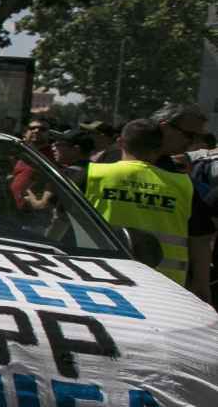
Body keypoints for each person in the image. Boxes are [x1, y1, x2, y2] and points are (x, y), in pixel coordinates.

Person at [85, 119, 200, 296]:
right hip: (165, 286)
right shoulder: (184, 184)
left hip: (99, 274)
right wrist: (201, 283)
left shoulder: (94, 174)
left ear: (120, 143)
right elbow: (200, 239)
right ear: (160, 148)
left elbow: (58, 218)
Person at [152, 103, 214, 302]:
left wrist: (201, 287)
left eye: (199, 138)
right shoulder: (106, 167)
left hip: (166, 290)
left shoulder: (180, 177)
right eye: (190, 135)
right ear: (164, 127)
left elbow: (200, 237)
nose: (194, 143)